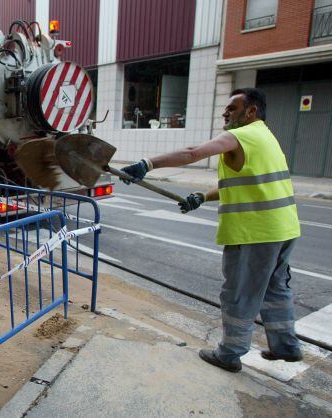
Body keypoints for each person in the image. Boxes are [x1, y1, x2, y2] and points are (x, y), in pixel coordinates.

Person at [121, 88, 302, 373]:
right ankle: (286, 347)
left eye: (232, 108)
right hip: (284, 229)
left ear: (250, 111)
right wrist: (202, 196)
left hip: (255, 232)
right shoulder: (265, 137)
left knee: (239, 293)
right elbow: (242, 183)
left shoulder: (240, 136)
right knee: (275, 289)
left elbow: (193, 152)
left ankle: (229, 353)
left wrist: (148, 163)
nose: (225, 113)